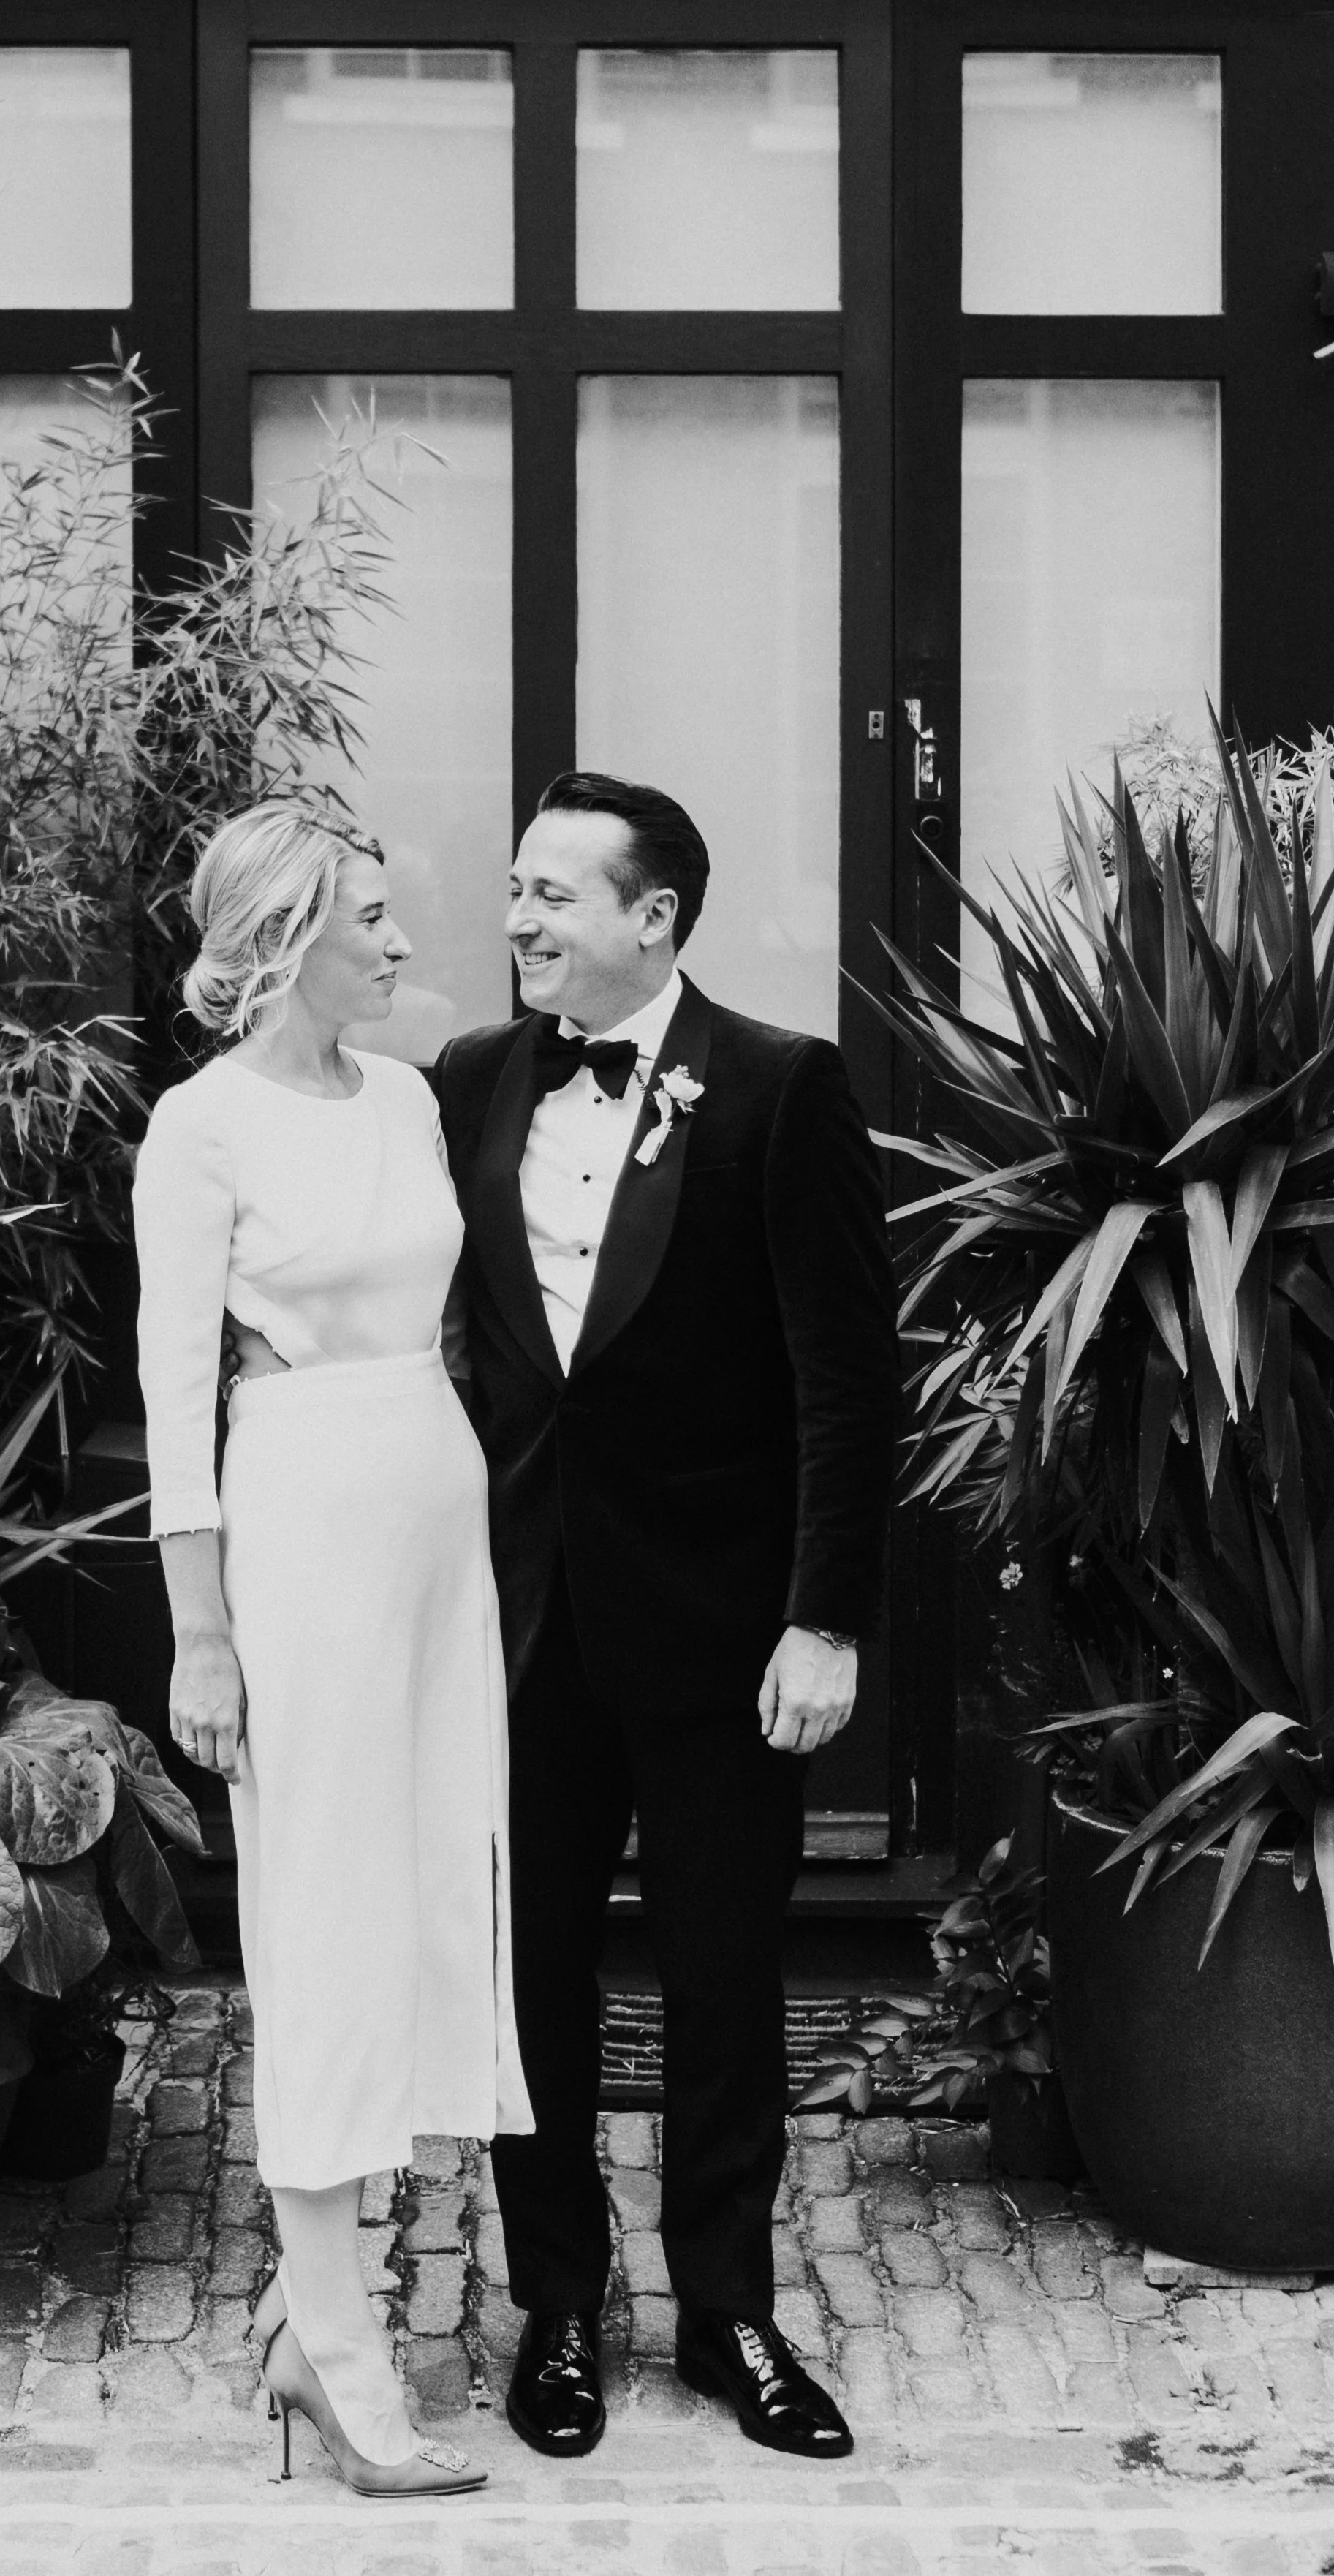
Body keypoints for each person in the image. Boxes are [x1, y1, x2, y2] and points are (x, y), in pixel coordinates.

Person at [431, 771, 901, 2463]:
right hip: (515, 1629)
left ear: (654, 917)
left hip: (721, 1638)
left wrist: (823, 1618)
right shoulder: (470, 1083)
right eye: (513, 891)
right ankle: (555, 2307)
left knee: (720, 1981)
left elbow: (847, 1382)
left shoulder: (780, 1090)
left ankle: (724, 2314)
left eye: (554, 894)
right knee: (533, 1983)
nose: (518, 922)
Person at [132, 798, 532, 2499]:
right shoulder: (196, 1131)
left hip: (438, 1532)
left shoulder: (410, 1099)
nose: (400, 942)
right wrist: (200, 1632)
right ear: (287, 934)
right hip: (294, 1533)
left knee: (432, 1903)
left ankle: (325, 2324)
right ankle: (339, 2344)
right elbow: (170, 1399)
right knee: (320, 1917)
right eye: (371, 917)